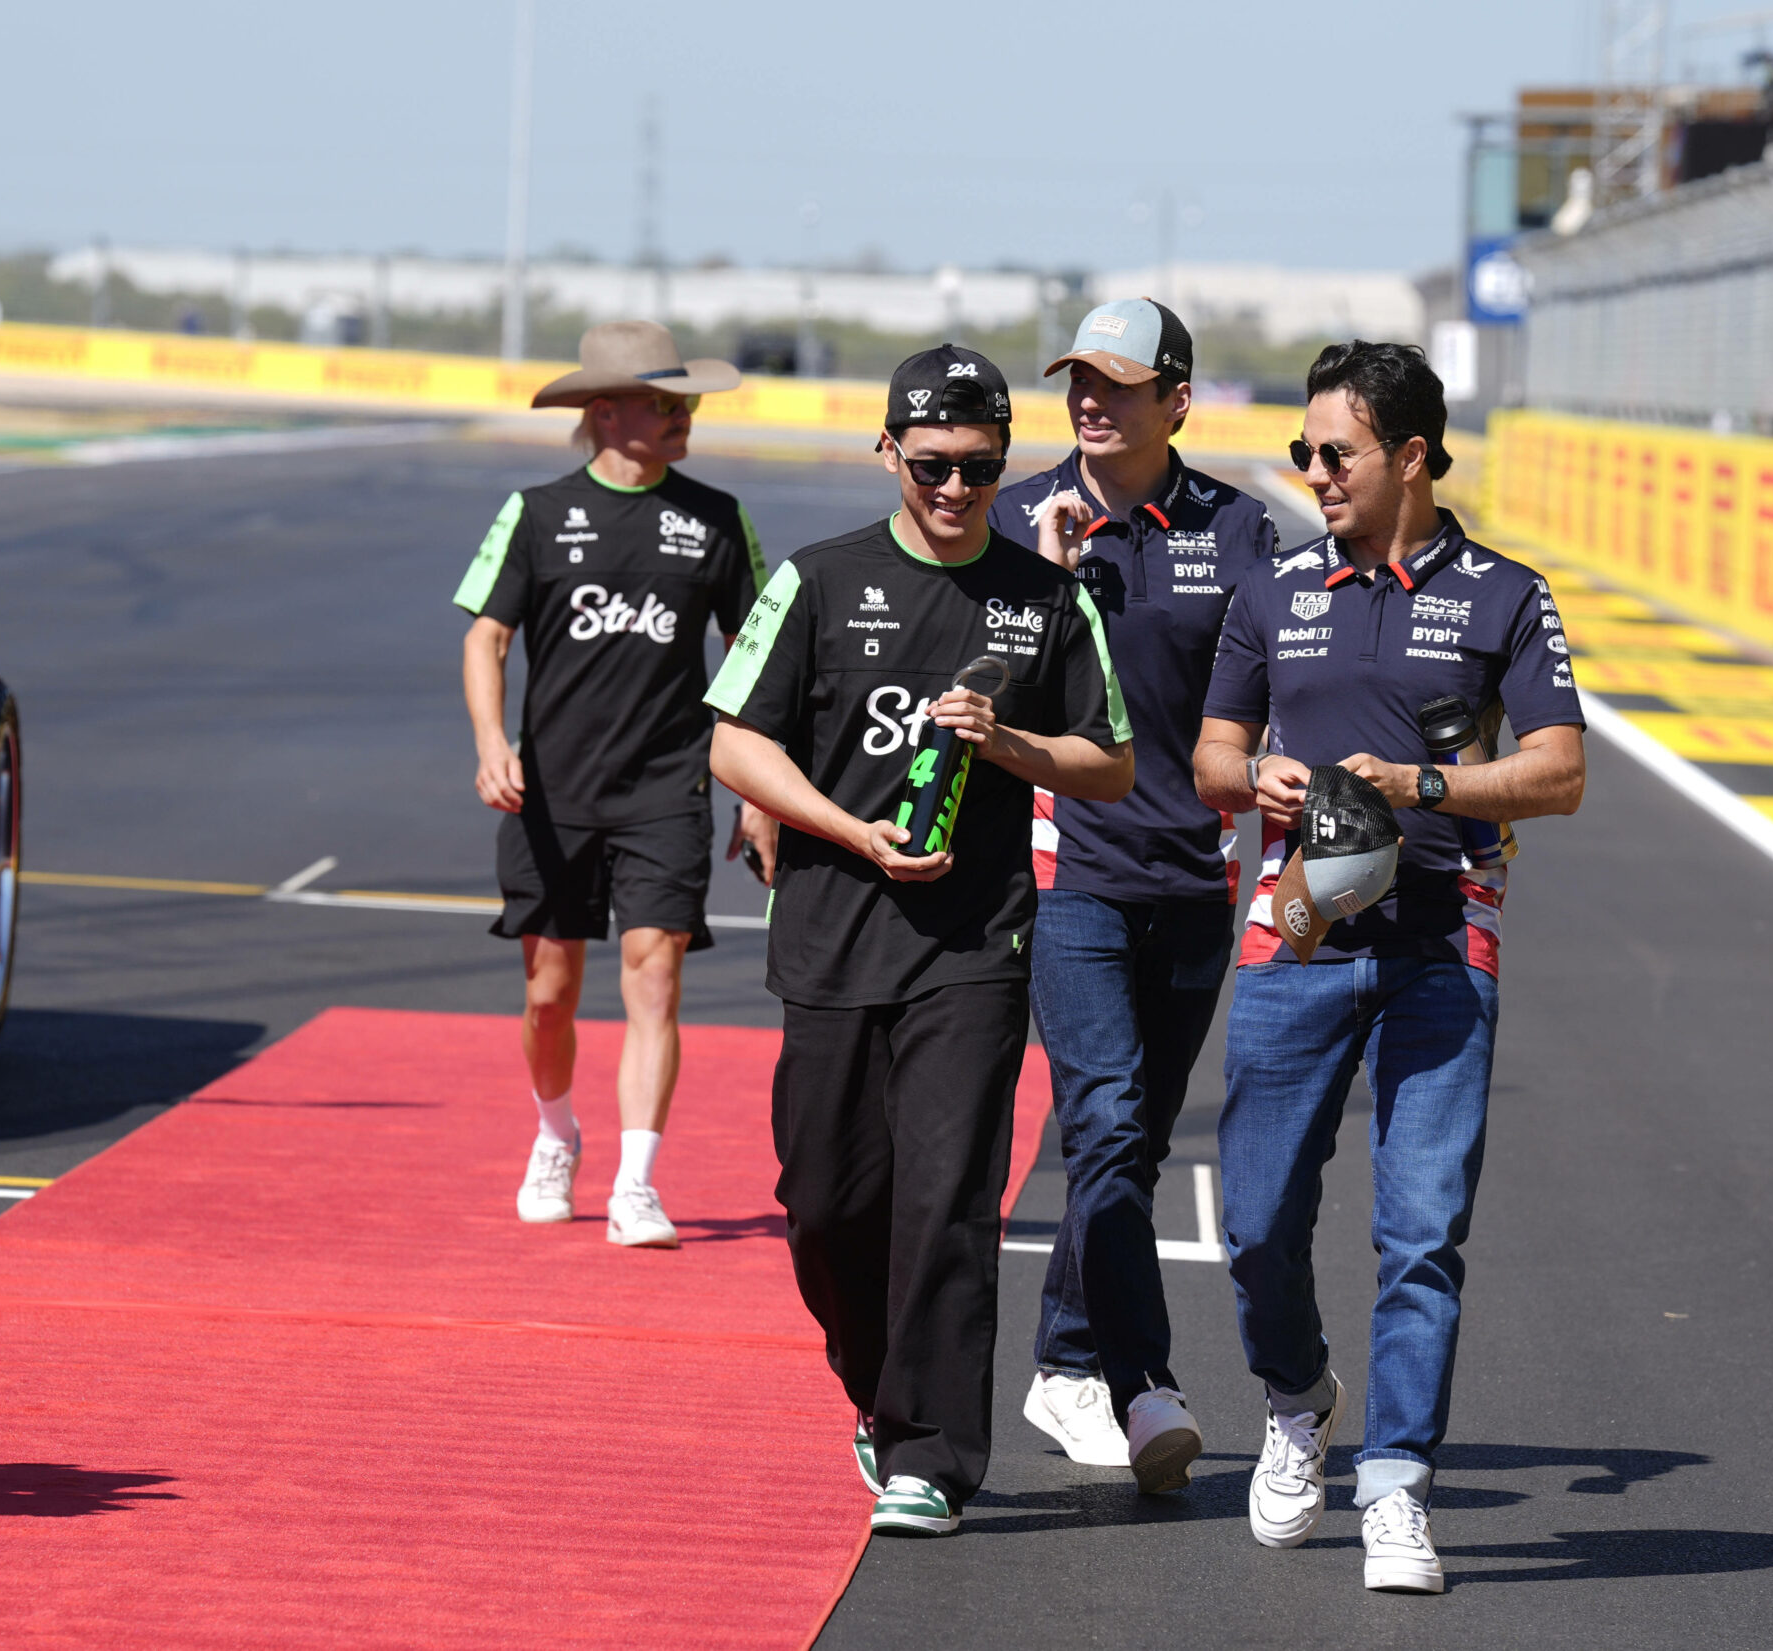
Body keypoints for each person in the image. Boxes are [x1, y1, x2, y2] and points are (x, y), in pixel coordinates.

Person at [706, 346, 1135, 1538]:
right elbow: (734, 743)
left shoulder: (1047, 599)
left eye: (982, 471)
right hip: (834, 936)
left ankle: (933, 1455)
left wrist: (1006, 746)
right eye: (934, 465)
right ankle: (877, 1389)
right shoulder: (817, 578)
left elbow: (1112, 762)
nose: (956, 490)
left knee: (946, 1199)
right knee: (825, 1205)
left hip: (973, 946)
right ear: (889, 450)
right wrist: (845, 829)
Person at [1194, 340, 1585, 1593]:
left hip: (1439, 939)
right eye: (1305, 451)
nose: (1312, 472)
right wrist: (1253, 774)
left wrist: (1426, 784)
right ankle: (1298, 1396)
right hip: (1296, 928)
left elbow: (1560, 772)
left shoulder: (1506, 595)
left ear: (1411, 457)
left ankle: (1397, 1488)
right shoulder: (1272, 587)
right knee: (1255, 1224)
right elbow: (1211, 750)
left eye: (1335, 452)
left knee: (1422, 1235)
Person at [987, 299, 1279, 1492]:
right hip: (1068, 874)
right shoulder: (1012, 517)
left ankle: (1061, 1362)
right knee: (1102, 1119)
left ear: (1177, 400)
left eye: (1117, 382)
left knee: (1136, 1142)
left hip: (1198, 877)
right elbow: (977, 699)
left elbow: (1278, 687)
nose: (1090, 399)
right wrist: (1044, 583)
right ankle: (1139, 1380)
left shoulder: (1243, 529)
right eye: (1076, 380)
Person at [455, 320, 776, 1249]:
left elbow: (755, 653)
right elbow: (486, 636)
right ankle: (557, 1133)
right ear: (605, 413)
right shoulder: (537, 511)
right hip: (549, 794)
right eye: (664, 401)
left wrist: (757, 787)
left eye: (686, 401)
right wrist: (489, 740)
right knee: (549, 993)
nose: (685, 415)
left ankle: (637, 1179)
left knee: (655, 974)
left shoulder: (718, 518)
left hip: (668, 787)